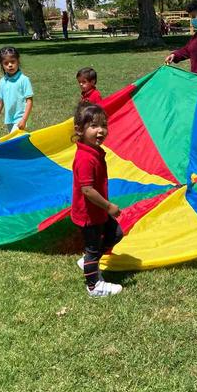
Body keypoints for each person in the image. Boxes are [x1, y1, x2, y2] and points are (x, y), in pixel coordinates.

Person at [71, 102, 124, 297]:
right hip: (89, 214)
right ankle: (93, 286)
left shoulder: (94, 151)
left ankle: (87, 263)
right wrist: (108, 206)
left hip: (97, 211)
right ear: (79, 130)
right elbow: (87, 190)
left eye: (104, 125)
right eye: (94, 126)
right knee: (92, 247)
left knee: (115, 233)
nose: (100, 131)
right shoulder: (85, 157)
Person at [0, 46, 34, 135]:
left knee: (15, 141)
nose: (10, 65)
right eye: (6, 63)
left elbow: (29, 101)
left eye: (12, 62)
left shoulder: (24, 80)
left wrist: (24, 119)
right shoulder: (2, 81)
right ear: (2, 65)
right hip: (9, 120)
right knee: (19, 146)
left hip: (22, 118)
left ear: (18, 61)